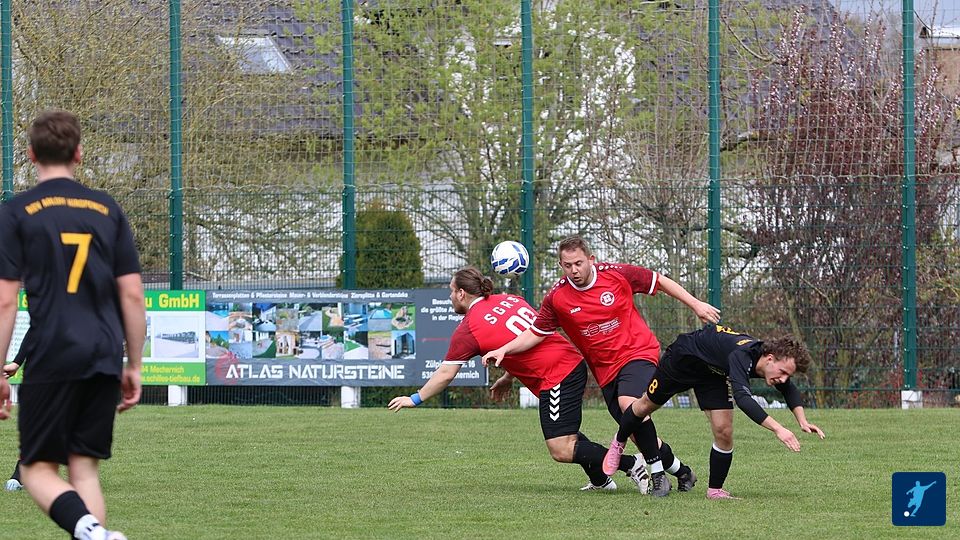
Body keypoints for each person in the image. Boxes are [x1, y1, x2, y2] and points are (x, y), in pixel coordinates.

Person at [0, 110, 146, 540]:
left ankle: (91, 531)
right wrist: (134, 364)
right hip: (103, 352)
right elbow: (132, 295)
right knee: (84, 470)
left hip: (53, 351)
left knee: (35, 468)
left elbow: (6, 299)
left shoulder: (17, 212)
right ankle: (96, 533)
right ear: (78, 153)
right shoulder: (107, 209)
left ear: (31, 154)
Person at [483, 235, 720, 496]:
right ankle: (683, 471)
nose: (574, 270)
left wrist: (696, 304)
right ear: (561, 265)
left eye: (579, 263)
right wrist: (504, 350)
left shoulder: (616, 274)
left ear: (591, 259)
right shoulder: (558, 298)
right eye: (567, 265)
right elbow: (536, 332)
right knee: (636, 431)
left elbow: (659, 280)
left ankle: (658, 477)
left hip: (638, 352)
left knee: (629, 404)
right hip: (605, 371)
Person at [388, 267, 650, 492]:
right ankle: (600, 480)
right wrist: (507, 376)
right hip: (568, 363)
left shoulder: (468, 329)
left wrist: (415, 399)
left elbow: (446, 373)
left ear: (461, 294)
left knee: (560, 448)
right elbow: (525, 340)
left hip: (557, 374)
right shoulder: (509, 300)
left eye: (451, 291)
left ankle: (630, 464)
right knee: (562, 430)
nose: (450, 296)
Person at [601, 323, 826, 499]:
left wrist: (802, 421)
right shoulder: (742, 356)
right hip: (683, 359)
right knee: (643, 406)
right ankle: (619, 442)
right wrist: (778, 429)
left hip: (712, 374)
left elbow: (788, 388)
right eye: (783, 372)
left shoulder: (766, 361)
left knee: (724, 429)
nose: (783, 379)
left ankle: (715, 490)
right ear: (770, 359)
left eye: (788, 375)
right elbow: (743, 399)